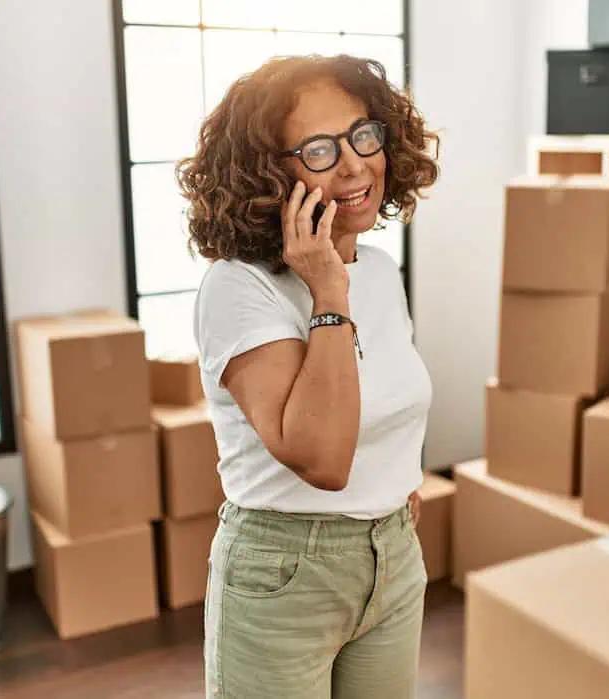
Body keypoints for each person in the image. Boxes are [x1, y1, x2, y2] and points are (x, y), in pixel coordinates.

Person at [176, 53, 440, 698]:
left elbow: (389, 401)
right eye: (318, 149)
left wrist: (398, 490)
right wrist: (327, 289)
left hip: (393, 557)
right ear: (270, 173)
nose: (353, 164)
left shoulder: (378, 270)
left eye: (363, 135)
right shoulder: (238, 288)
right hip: (283, 571)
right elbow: (322, 459)